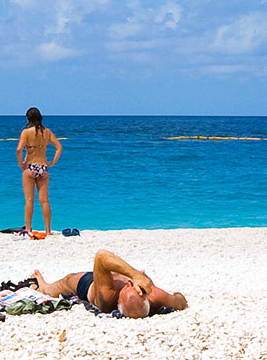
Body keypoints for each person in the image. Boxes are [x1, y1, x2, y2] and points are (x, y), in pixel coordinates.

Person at [32, 249, 187, 317]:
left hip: (90, 284)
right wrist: (176, 297)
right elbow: (180, 301)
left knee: (62, 284)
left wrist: (135, 276)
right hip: (114, 273)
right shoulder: (155, 296)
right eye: (133, 286)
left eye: (129, 285)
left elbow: (101, 256)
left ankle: (42, 284)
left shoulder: (107, 298)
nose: (129, 284)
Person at [16, 107, 62, 236]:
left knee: (29, 201)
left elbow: (19, 149)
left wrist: (20, 163)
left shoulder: (26, 132)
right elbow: (59, 148)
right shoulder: (47, 132)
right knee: (44, 201)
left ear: (28, 118)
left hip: (30, 167)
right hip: (43, 167)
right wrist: (52, 162)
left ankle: (29, 229)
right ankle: (48, 230)